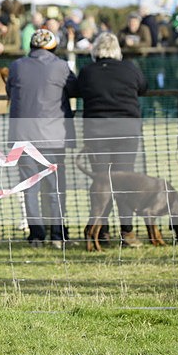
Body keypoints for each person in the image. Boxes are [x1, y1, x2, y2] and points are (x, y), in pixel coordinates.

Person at [68, 32, 147, 247]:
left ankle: (101, 231)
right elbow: (143, 86)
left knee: (102, 182)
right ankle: (127, 231)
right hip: (126, 132)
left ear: (96, 50)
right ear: (117, 50)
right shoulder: (130, 68)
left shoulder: (87, 71)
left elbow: (75, 89)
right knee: (125, 182)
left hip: (97, 133)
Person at [6, 29, 76, 248]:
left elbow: (10, 92)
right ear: (53, 47)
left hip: (22, 137)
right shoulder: (62, 66)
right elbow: (74, 89)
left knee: (29, 187)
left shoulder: (16, 66)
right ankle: (57, 235)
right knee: (54, 188)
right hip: (53, 138)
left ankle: (36, 235)